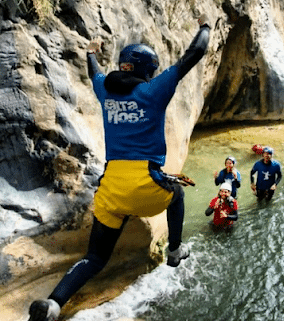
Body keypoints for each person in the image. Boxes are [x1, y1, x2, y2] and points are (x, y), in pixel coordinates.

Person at [28, 15, 211, 321]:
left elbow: (95, 73)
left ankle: (53, 304)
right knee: (177, 194)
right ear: (146, 70)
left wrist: (90, 52)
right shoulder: (153, 91)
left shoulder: (105, 91)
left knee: (95, 257)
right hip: (144, 184)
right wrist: (205, 26)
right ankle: (175, 250)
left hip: (111, 188)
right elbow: (195, 53)